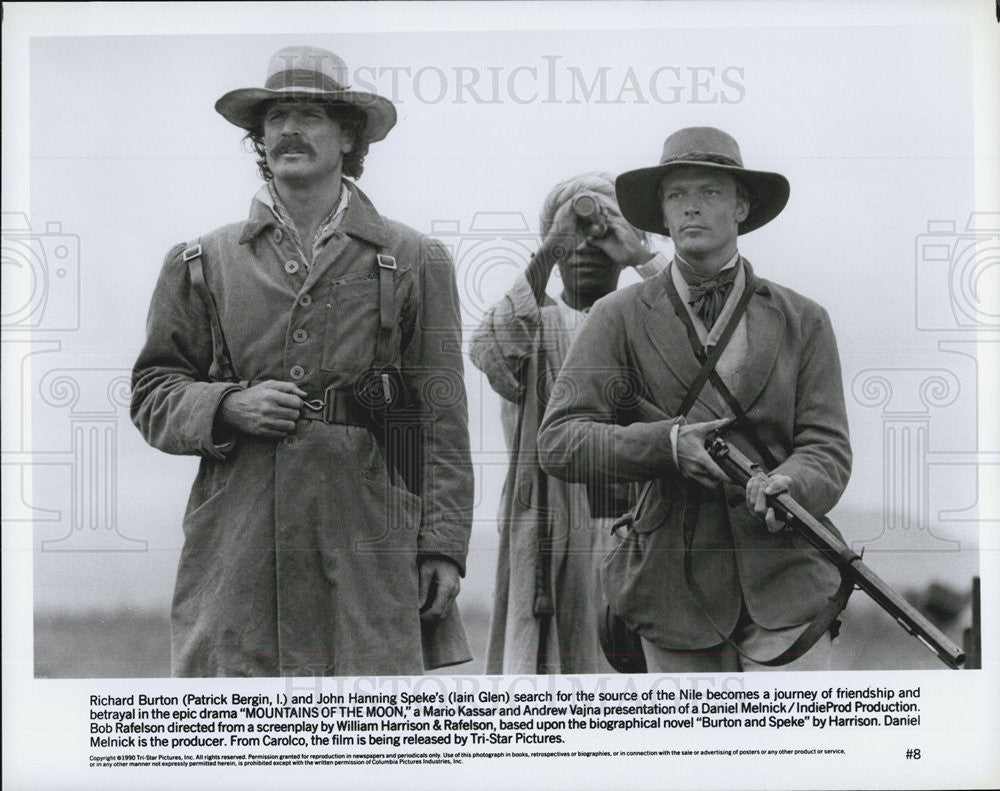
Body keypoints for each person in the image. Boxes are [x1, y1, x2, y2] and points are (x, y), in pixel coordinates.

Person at [131, 46, 473, 677]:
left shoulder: (415, 258)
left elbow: (440, 418)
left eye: (311, 114)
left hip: (369, 533)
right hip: (237, 537)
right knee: (233, 730)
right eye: (276, 116)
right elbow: (153, 392)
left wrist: (443, 546)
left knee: (369, 729)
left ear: (348, 135)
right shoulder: (200, 262)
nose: (290, 129)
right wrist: (227, 404)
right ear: (259, 139)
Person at [537, 127, 852, 672]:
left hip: (787, 580)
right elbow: (560, 440)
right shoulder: (618, 316)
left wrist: (792, 484)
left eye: (709, 192)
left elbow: (826, 446)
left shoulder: (804, 318)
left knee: (802, 752)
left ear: (741, 206)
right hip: (671, 588)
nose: (691, 209)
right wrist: (668, 445)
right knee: (691, 754)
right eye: (677, 195)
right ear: (661, 212)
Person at [470, 173, 664, 674]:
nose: (586, 248)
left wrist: (643, 256)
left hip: (642, 530)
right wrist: (553, 245)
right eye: (572, 239)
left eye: (602, 237)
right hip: (553, 532)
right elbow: (490, 350)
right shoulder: (534, 322)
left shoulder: (652, 318)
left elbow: (709, 329)